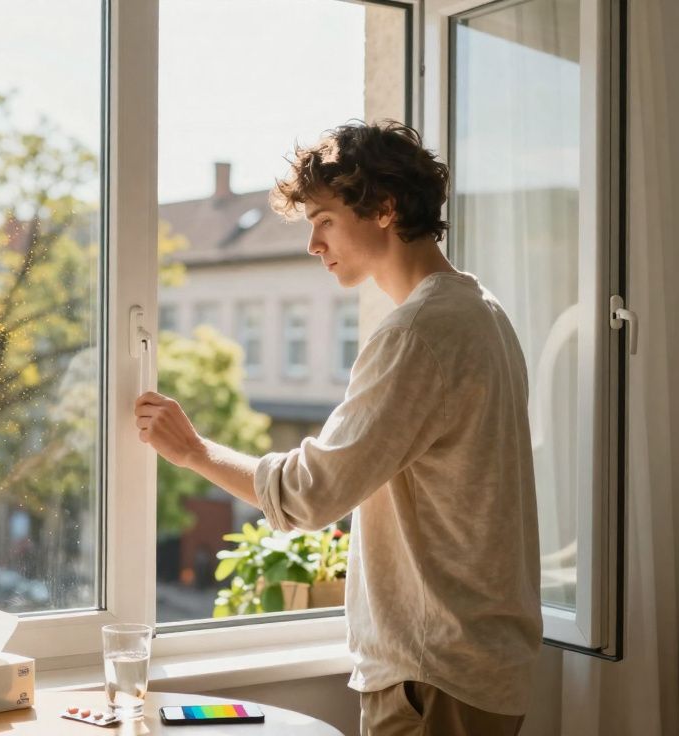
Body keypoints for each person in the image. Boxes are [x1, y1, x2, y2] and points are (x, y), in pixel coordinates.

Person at [134, 120, 542, 735]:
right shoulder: (482, 312)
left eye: (324, 220)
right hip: (478, 667)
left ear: (384, 208)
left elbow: (308, 496)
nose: (312, 244)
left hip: (433, 676)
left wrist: (192, 451)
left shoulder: (417, 334)